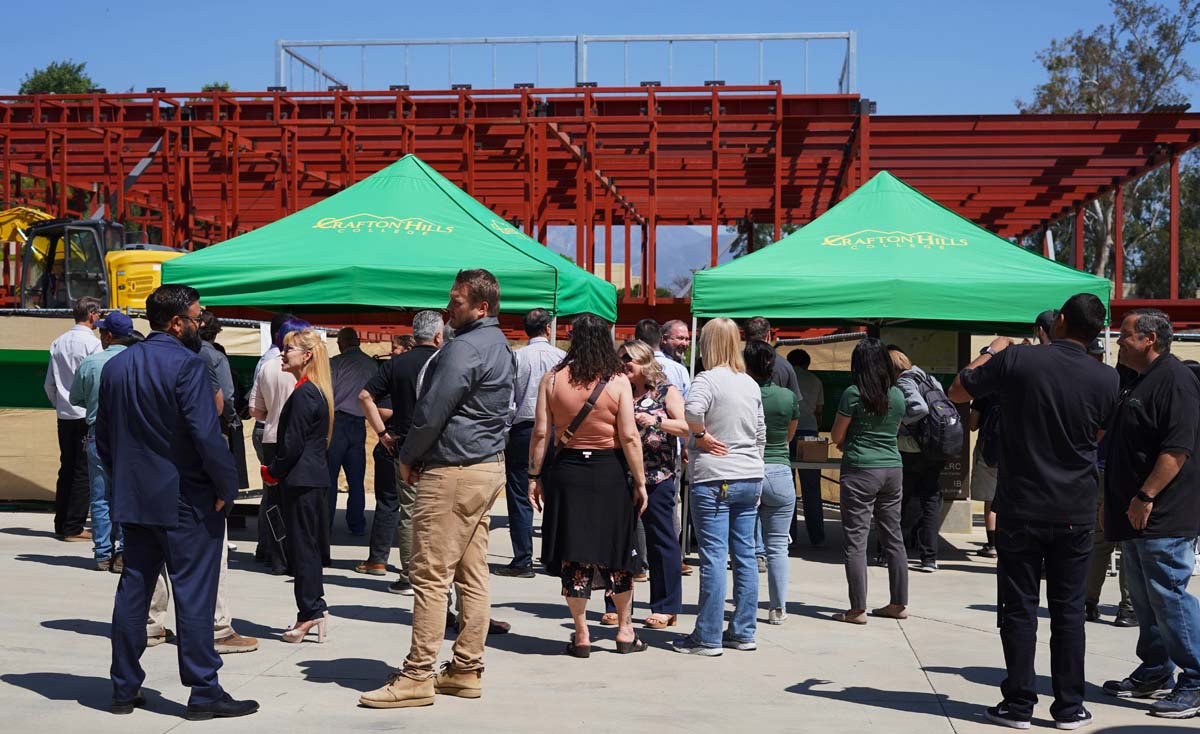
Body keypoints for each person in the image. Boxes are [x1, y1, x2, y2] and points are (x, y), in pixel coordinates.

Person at [948, 293, 1118, 730]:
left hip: (1022, 505)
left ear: (1060, 320)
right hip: (1075, 507)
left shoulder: (1019, 361)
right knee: (1068, 611)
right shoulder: (1107, 379)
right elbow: (1097, 434)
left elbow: (958, 389)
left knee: (1020, 607)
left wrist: (993, 349)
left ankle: (1020, 703)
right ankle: (1068, 707)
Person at [97, 284, 258, 720]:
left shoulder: (117, 367)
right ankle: (204, 691)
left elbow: (104, 440)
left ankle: (123, 687)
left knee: (134, 590)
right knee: (193, 596)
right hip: (186, 499)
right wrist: (228, 487)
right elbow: (206, 436)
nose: (200, 323)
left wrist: (122, 481)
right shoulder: (188, 366)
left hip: (136, 499)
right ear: (176, 322)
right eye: (196, 317)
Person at [359, 269, 514, 709]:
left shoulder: (464, 349)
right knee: (471, 574)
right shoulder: (500, 344)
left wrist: (407, 456)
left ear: (481, 307)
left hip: (453, 470)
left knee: (430, 576)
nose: (450, 308)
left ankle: (417, 674)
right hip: (484, 467)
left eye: (458, 301)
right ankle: (466, 667)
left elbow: (432, 412)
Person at [527, 316, 649, 657]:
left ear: (573, 340)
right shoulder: (618, 382)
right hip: (608, 471)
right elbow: (628, 436)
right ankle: (625, 630)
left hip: (567, 474)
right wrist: (640, 482)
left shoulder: (552, 379)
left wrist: (534, 476)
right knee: (618, 554)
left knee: (574, 555)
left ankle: (581, 636)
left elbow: (541, 432)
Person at [1101, 308, 1200, 718]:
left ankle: (1195, 680)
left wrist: (1145, 496)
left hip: (1163, 514)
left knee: (1169, 595)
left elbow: (1176, 451)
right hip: (1135, 513)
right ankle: (1157, 669)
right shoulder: (1139, 380)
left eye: (1125, 335)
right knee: (1145, 599)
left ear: (1150, 340)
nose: (1118, 341)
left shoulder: (1175, 381)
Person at [673, 317, 765, 656]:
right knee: (744, 555)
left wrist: (698, 436)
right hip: (749, 475)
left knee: (712, 557)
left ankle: (708, 636)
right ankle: (743, 630)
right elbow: (760, 433)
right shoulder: (749, 383)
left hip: (715, 476)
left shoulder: (706, 380)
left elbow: (691, 411)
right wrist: (754, 463)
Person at [357, 310, 444, 591]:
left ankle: (409, 575)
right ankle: (438, 573)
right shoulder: (445, 362)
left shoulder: (396, 364)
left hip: (405, 446)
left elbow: (364, 396)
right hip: (442, 446)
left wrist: (382, 433)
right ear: (438, 336)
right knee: (440, 513)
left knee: (408, 511)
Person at [262, 329, 335, 644]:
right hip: (309, 478)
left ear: (306, 355)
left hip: (301, 479)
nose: (282, 353)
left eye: (288, 348)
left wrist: (273, 471)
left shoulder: (306, 393)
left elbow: (292, 444)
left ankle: (309, 611)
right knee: (306, 547)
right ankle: (313, 607)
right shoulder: (312, 390)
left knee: (301, 549)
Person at [830, 338, 907, 625]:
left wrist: (848, 442)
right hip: (892, 468)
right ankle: (898, 603)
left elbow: (837, 436)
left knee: (856, 540)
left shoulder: (853, 393)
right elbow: (893, 431)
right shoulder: (897, 395)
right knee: (893, 538)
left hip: (861, 468)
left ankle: (857, 609)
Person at [616, 339, 686, 629]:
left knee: (661, 541)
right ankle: (616, 605)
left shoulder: (666, 391)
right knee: (619, 542)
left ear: (644, 362)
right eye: (619, 361)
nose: (622, 367)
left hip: (658, 476)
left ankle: (665, 606)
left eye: (627, 361)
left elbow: (684, 427)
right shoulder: (618, 389)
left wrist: (654, 421)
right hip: (622, 475)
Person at [69, 311, 140, 571]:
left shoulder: (92, 363)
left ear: (108, 335)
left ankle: (102, 553)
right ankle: (123, 549)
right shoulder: (138, 362)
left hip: (98, 432)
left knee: (100, 496)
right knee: (126, 494)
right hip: (131, 436)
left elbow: (75, 398)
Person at [499, 308, 566, 578]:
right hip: (556, 430)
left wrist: (505, 428)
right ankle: (553, 556)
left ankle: (523, 558)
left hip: (523, 429)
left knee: (519, 495)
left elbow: (508, 399)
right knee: (555, 494)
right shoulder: (561, 358)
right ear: (548, 329)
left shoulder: (516, 357)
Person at [249, 315, 311, 573]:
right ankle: (297, 556)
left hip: (271, 436)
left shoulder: (267, 366)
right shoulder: (309, 368)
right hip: (301, 439)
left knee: (273, 500)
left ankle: (276, 556)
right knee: (297, 501)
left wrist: (275, 413)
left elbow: (254, 409)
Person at [745, 340, 799, 625]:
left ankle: (745, 605)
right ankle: (778, 608)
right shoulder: (788, 397)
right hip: (779, 470)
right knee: (778, 546)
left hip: (747, 469)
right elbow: (790, 434)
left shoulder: (743, 394)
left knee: (744, 546)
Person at [1085, 346, 1137, 627]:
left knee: (1099, 539)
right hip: (1128, 474)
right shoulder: (1143, 390)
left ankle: (1088, 602)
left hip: (1100, 468)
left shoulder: (1105, 386)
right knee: (1129, 542)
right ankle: (1128, 608)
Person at [46, 295, 102, 541]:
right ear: (92, 315)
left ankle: (62, 522)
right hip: (85, 413)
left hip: (64, 414)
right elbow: (97, 377)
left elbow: (49, 384)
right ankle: (74, 526)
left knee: (66, 467)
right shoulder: (92, 344)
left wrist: (60, 404)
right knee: (83, 471)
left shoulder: (58, 342)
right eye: (98, 314)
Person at [889, 346, 944, 574]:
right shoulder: (929, 379)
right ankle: (929, 557)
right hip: (934, 448)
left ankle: (888, 553)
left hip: (911, 450)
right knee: (930, 501)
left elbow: (920, 409)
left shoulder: (903, 382)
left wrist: (901, 423)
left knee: (896, 501)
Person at [327, 327, 378, 537]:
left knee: (330, 478)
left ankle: (325, 524)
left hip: (338, 422)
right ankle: (357, 524)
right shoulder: (372, 364)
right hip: (359, 423)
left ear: (342, 343)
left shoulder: (336, 363)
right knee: (356, 479)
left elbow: (327, 393)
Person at [197, 312, 248, 489]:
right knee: (218, 478)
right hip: (216, 422)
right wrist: (232, 417)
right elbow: (226, 396)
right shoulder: (216, 357)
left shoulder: (183, 351)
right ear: (215, 332)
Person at [787, 348, 825, 547]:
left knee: (787, 487)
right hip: (810, 432)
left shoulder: (784, 378)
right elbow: (819, 412)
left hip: (787, 433)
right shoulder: (815, 380)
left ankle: (789, 536)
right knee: (812, 488)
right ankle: (817, 537)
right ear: (807, 364)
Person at [968, 392, 1000, 559]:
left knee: (991, 499)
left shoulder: (985, 391)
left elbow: (973, 425)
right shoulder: (1019, 387)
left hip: (988, 453)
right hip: (1015, 454)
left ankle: (992, 545)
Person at [635, 318, 688, 398]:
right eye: (680, 338)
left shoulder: (681, 368)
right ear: (664, 339)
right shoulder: (679, 369)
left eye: (687, 339)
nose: (684, 343)